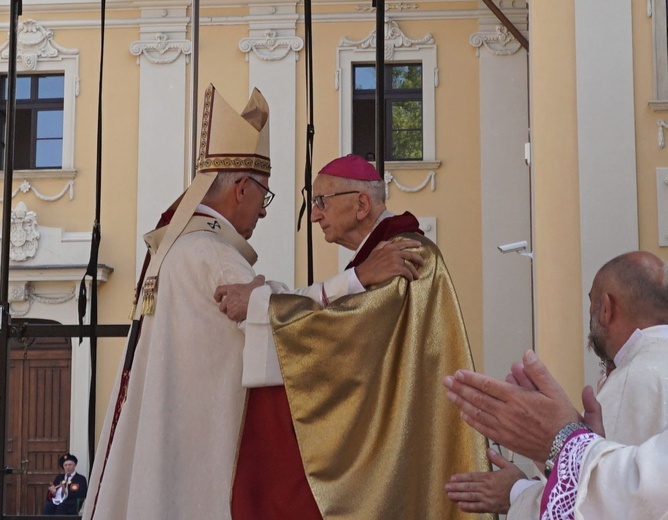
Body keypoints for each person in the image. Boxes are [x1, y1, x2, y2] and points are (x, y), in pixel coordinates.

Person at [216, 154, 492, 519]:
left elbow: (347, 336)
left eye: (321, 202)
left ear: (362, 204)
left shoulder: (406, 253)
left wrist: (263, 307)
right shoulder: (380, 256)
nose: (314, 215)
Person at [445, 251, 668, 517]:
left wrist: (518, 490)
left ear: (606, 308)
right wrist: (559, 451)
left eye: (592, 306)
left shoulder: (633, 378)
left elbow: (611, 502)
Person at [443, 349, 668, 519]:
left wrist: (564, 441)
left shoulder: (633, 375)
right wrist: (562, 459)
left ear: (607, 308)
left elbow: (639, 496)